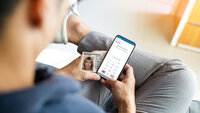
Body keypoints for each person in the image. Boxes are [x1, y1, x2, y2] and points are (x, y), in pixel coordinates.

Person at [0, 1, 197, 113]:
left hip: (67, 88)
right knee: (180, 78)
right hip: (97, 102)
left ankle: (73, 28)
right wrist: (127, 104)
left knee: (106, 75)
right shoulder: (74, 108)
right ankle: (75, 29)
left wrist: (67, 74)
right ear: (40, 9)